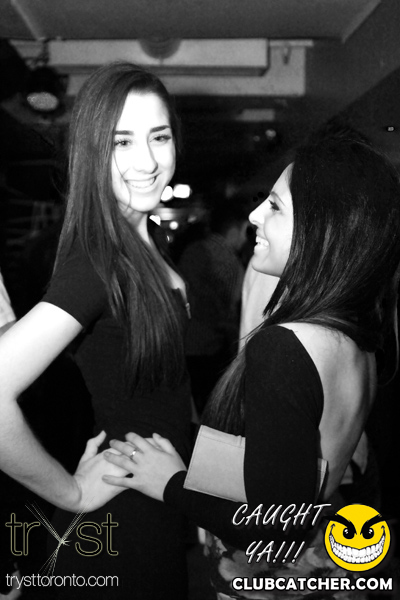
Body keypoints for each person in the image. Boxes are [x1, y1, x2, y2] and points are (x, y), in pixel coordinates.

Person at [101, 129, 400, 598]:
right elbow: (292, 469)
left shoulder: (286, 346)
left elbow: (275, 528)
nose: (254, 215)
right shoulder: (355, 338)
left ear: (322, 233)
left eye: (275, 207)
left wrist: (170, 484)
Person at [0, 62, 192, 599]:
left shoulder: (147, 240)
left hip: (156, 501)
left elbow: (165, 396)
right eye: (121, 142)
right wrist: (71, 494)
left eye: (159, 136)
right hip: (122, 521)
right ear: (92, 152)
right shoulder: (99, 258)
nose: (147, 161)